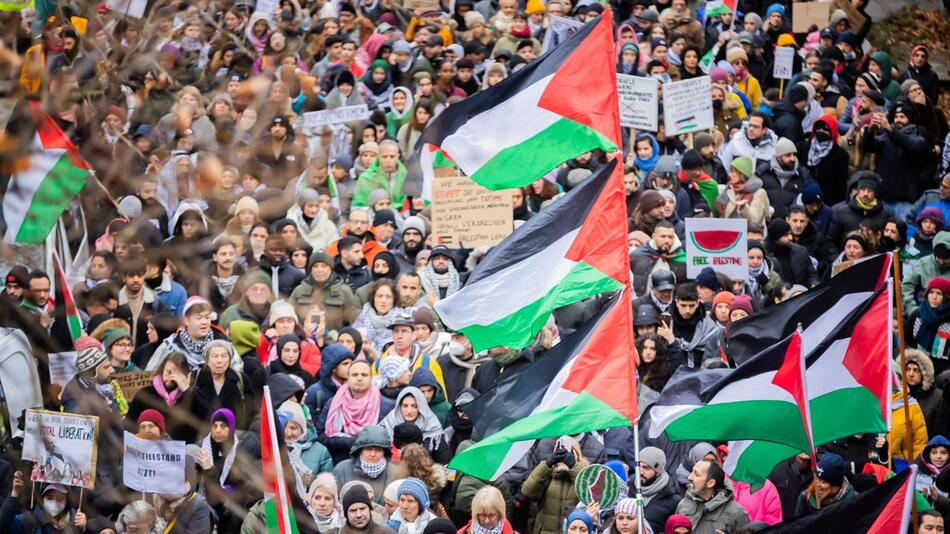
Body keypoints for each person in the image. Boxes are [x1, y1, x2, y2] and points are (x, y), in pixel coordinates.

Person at [319, 360, 394, 463]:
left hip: (375, 464)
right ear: (348, 378)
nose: (359, 378)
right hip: (340, 464)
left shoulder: (386, 406)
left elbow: (390, 441)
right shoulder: (334, 404)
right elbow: (321, 437)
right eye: (355, 375)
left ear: (371, 378)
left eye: (364, 375)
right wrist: (349, 442)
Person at [127, 352, 210, 444]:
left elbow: (205, 419)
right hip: (149, 448)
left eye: (177, 373)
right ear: (162, 370)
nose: (171, 376)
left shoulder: (194, 395)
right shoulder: (147, 392)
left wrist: (187, 391)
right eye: (168, 372)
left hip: (182, 449)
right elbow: (130, 423)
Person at [523, 437, 587, 534]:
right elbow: (527, 490)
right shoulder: (548, 474)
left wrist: (573, 467)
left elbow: (590, 493)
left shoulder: (584, 474)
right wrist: (547, 465)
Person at [291, 250, 362, 333]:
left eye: (324, 266)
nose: (319, 270)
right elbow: (288, 316)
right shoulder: (299, 290)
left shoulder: (344, 291)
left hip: (335, 341)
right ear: (310, 269)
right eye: (315, 266)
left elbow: (354, 322)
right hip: (306, 341)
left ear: (331, 269)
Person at [333, 424, 402, 504]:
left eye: (378, 450)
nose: (373, 454)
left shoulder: (395, 472)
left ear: (384, 452)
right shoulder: (342, 469)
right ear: (360, 450)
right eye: (368, 449)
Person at [675, 459, 749, 534]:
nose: (689, 477)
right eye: (692, 472)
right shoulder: (684, 505)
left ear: (710, 483)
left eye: (696, 474)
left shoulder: (736, 513)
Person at [381, 387, 449, 462]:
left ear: (421, 408)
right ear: (399, 407)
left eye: (414, 406)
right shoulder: (388, 424)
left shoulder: (432, 427)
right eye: (405, 406)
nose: (409, 411)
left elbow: (444, 461)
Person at [715, 156, 770, 229]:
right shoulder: (729, 189)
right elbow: (721, 213)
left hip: (751, 235)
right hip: (729, 232)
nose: (729, 174)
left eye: (733, 171)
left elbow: (755, 219)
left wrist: (744, 207)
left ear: (742, 174)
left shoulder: (759, 192)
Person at [639, 447, 680, 533]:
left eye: (646, 468)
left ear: (658, 472)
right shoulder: (629, 489)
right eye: (639, 466)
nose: (641, 472)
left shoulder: (673, 500)